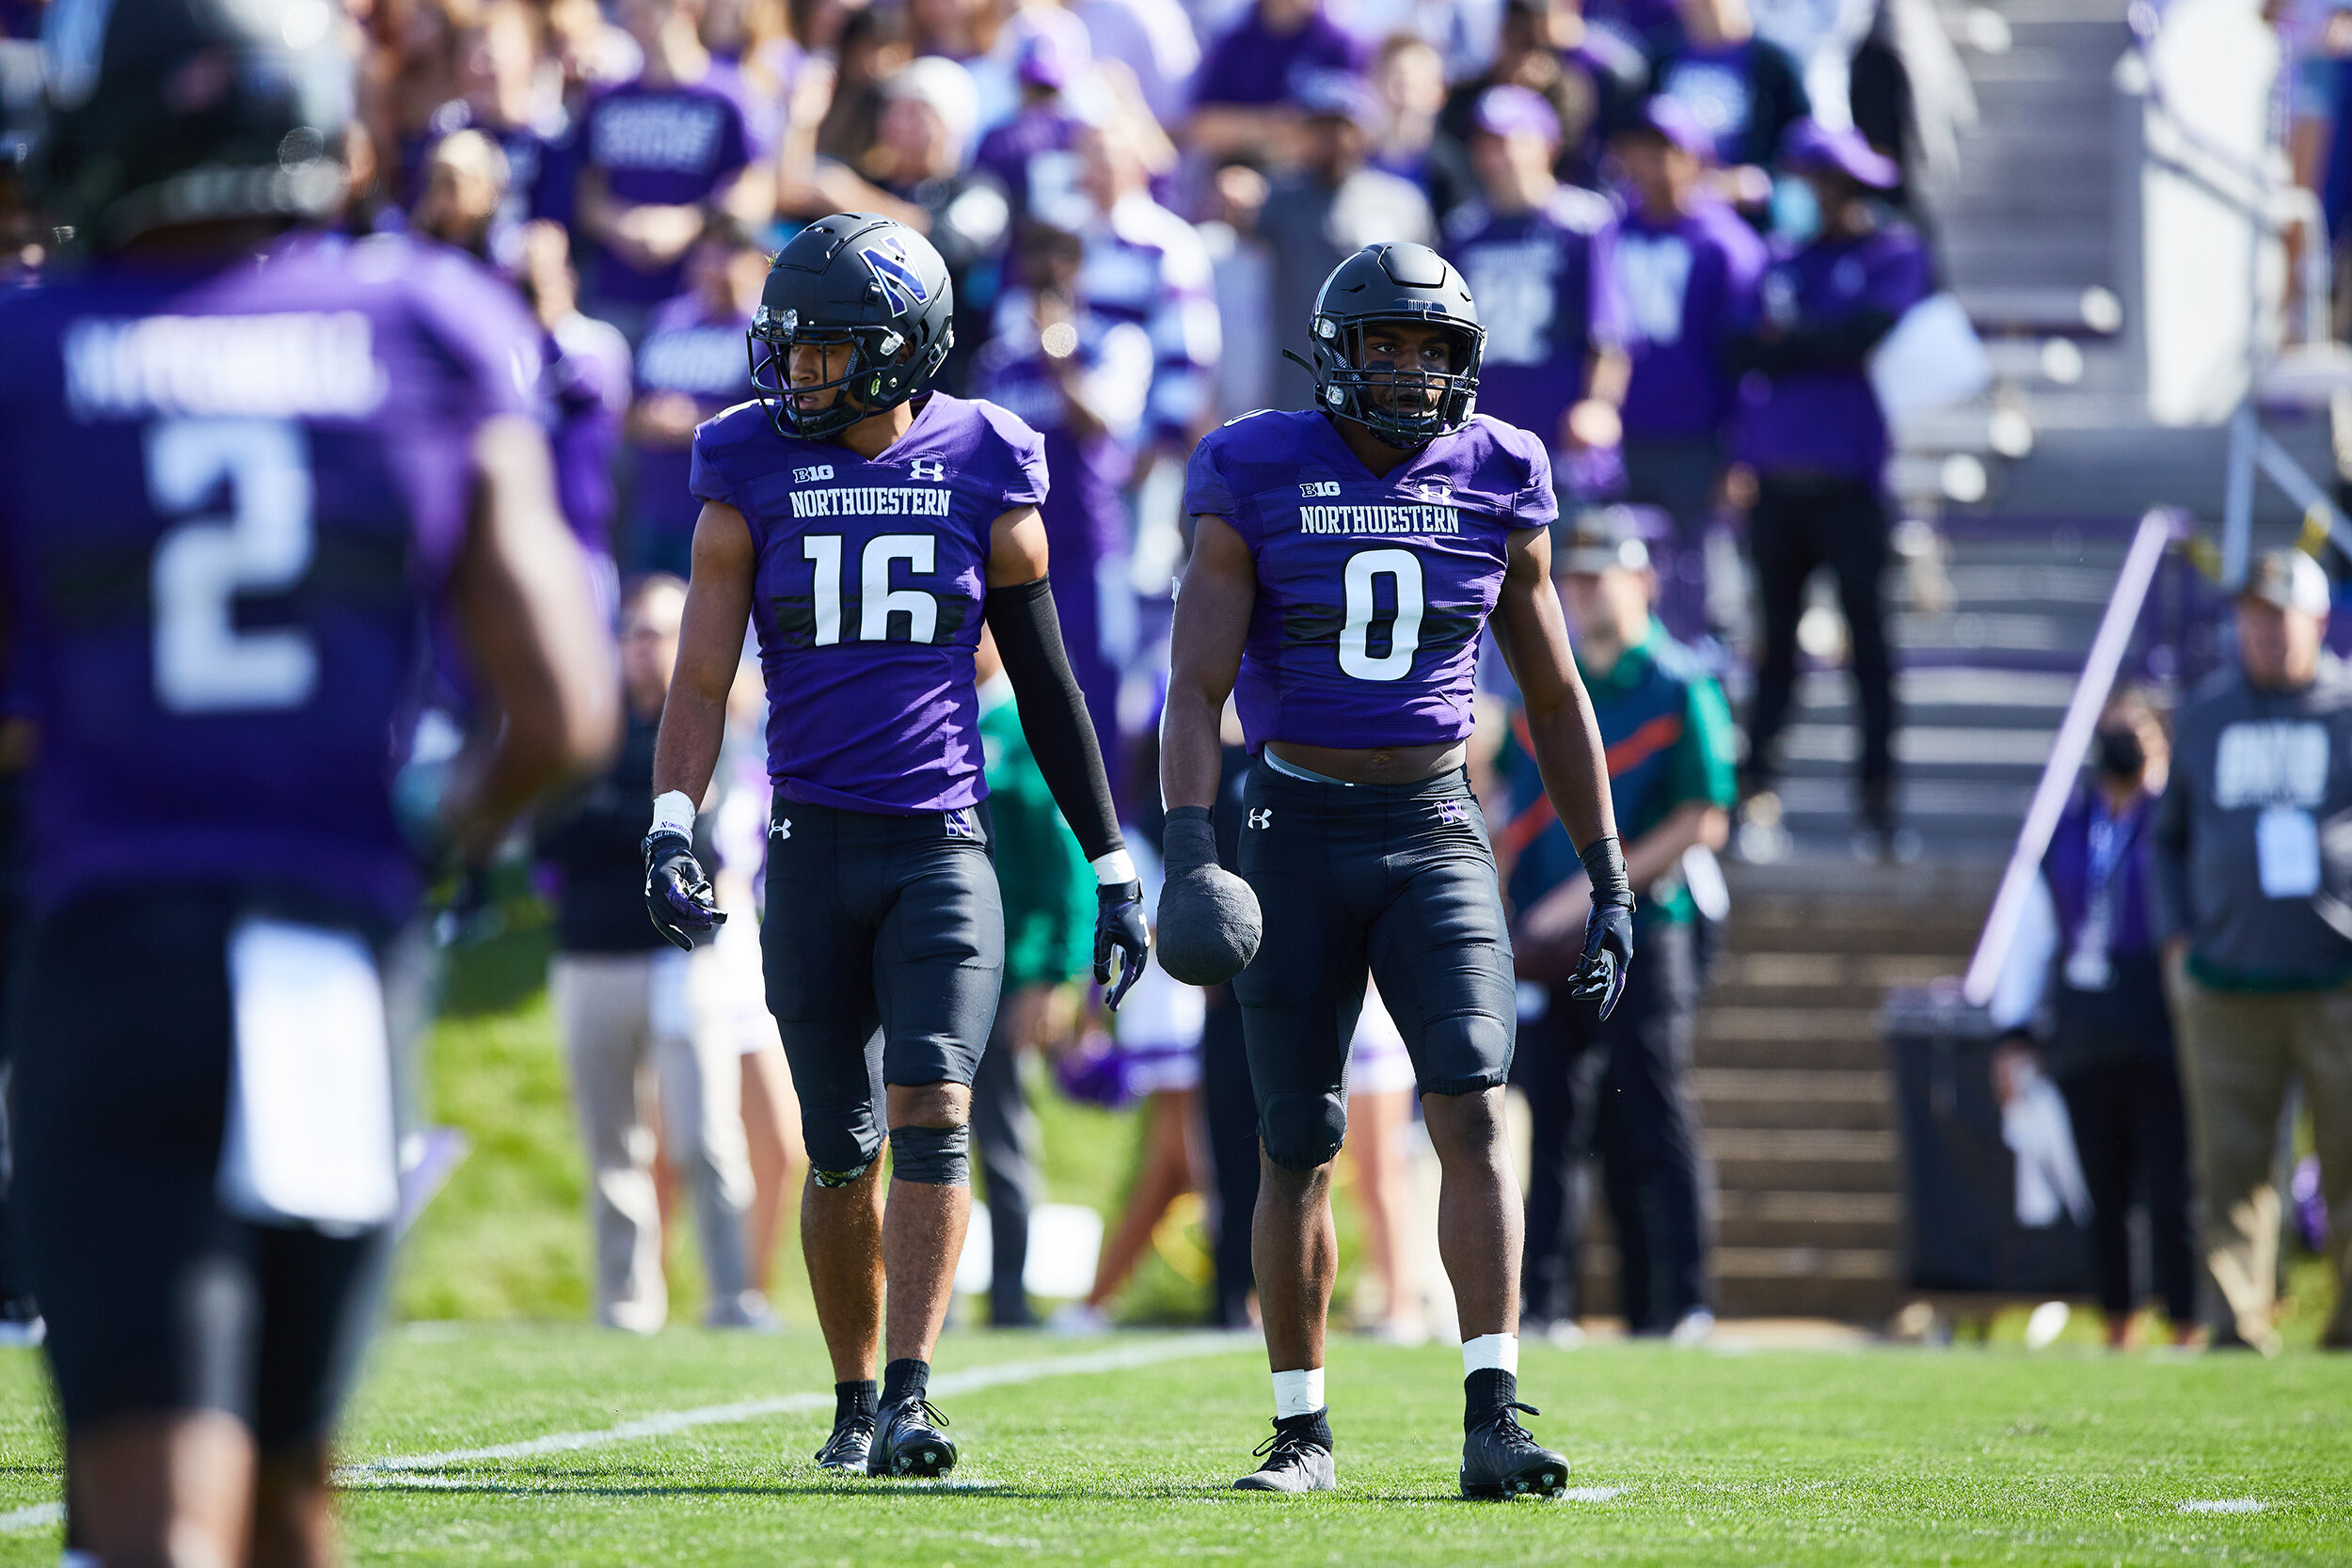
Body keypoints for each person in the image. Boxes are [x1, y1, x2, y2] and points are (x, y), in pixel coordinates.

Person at [0, 0, 617, 1554]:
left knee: (144, 1497)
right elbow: (558, 710)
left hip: (115, 938)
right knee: (290, 1484)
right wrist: (417, 834)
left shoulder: (32, 351)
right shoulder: (420, 324)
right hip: (327, 951)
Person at [646, 214, 1149, 1477]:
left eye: (826, 349)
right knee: (839, 1143)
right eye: (794, 346)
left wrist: (1110, 861)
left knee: (935, 1102)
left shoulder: (988, 454)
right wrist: (672, 819)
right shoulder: (745, 456)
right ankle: (852, 1392)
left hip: (940, 845)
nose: (798, 370)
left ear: (902, 348)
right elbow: (703, 675)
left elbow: (1047, 687)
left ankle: (916, 1394)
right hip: (812, 846)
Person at [1159, 241, 1631, 1497]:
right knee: (1295, 1135)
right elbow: (1196, 681)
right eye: (1388, 343)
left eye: (1435, 348)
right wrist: (1190, 841)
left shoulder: (1504, 470)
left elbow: (1553, 688)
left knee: (1473, 1103)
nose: (1414, 370)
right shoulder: (1251, 464)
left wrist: (1609, 871)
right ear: (1336, 350)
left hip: (1433, 825)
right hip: (1292, 824)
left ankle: (1493, 1410)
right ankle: (1302, 1427)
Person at [1495, 508, 1734, 1340]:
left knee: (1655, 1111)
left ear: (1644, 581)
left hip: (1647, 928)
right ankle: (1548, 1304)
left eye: (1604, 576)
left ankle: (1685, 1301)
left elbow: (1705, 818)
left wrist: (1602, 892)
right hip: (1545, 940)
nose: (1588, 591)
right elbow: (1511, 807)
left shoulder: (1678, 679)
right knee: (1552, 1121)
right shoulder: (1544, 681)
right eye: (1578, 576)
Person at [537, 577, 770, 1332]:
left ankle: (733, 1296)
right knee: (613, 1147)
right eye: (634, 631)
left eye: (662, 632)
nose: (645, 648)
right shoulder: (587, 725)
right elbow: (550, 830)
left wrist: (615, 822)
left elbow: (694, 836)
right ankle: (626, 1303)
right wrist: (638, 825)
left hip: (681, 959)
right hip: (590, 956)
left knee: (706, 1138)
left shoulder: (708, 731)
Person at [2151, 549, 2352, 1353]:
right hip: (2227, 976)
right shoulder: (2205, 714)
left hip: (2338, 973)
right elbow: (2166, 841)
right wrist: (2177, 939)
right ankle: (2235, 1321)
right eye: (2250, 617)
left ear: (2318, 619)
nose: (2263, 632)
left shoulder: (2346, 709)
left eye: (2278, 616)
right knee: (2230, 1167)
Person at [1727, 119, 1928, 859]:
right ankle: (1757, 796)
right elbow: (1741, 345)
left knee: (1869, 646)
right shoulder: (1778, 260)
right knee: (1774, 647)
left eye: (1810, 180)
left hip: (1850, 483)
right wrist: (1805, 345)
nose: (1797, 193)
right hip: (1777, 486)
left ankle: (1879, 805)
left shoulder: (1891, 253)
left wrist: (1796, 345)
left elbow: (1862, 335)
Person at [1990, 686, 2197, 1349]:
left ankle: (2189, 1321)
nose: (2121, 743)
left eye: (2134, 730)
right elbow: (2033, 931)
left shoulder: (2176, 818)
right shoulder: (2070, 825)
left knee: (2172, 1186)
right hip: (2087, 1026)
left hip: (2164, 1019)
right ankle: (2119, 1322)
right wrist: (2014, 1031)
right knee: (2104, 1194)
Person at [974, 220, 1156, 798]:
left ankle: (1116, 829)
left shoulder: (1114, 342)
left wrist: (1059, 355)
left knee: (1096, 691)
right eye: (1035, 253)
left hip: (1089, 548)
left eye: (1060, 254)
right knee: (1020, 687)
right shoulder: (1000, 361)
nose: (1046, 268)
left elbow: (1104, 423)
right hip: (1016, 554)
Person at [970, 625, 1099, 1327]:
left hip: (1008, 969)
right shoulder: (946, 720)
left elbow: (1066, 860)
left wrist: (1054, 974)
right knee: (930, 1133)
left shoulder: (1023, 726)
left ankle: (1011, 1294)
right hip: (941, 959)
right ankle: (932, 1299)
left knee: (1003, 1132)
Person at [1608, 97, 1766, 614]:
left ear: (1695, 159)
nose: (1650, 164)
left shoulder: (1726, 245)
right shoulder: (1608, 232)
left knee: (1694, 584)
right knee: (1615, 573)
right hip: (1620, 436)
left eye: (1666, 150)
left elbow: (1748, 357)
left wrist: (1741, 450)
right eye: (1640, 149)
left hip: (1698, 440)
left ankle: (1698, 689)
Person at [1441, 86, 1628, 499]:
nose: (1497, 156)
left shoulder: (1585, 224)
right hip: (1486, 428)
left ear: (1548, 145)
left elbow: (1609, 333)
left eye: (1510, 141)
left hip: (1560, 429)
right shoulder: (1463, 232)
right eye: (1486, 144)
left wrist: (1599, 405)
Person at [574, 0, 771, 336]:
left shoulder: (730, 95)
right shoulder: (605, 99)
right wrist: (623, 226)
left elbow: (754, 191)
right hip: (615, 292)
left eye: (648, 9)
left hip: (695, 299)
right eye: (630, 11)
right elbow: (584, 190)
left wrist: (687, 224)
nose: (636, 19)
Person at [1259, 74, 1435, 414]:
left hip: (1384, 377)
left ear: (1363, 133)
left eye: (1340, 126)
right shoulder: (1277, 201)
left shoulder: (1401, 202)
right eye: (1319, 127)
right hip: (1300, 380)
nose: (1331, 139)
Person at [624, 217, 768, 576]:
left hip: (726, 513)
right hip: (653, 506)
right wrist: (646, 418)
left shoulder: (766, 335)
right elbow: (626, 409)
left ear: (755, 263)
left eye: (727, 255)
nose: (715, 268)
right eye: (707, 256)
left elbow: (777, 421)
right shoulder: (665, 321)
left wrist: (694, 421)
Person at [1185, 0, 1369, 166]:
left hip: (1318, 188)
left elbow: (1354, 133)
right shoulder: (1234, 43)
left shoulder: (1339, 45)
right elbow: (1204, 127)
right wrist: (1273, 128)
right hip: (1242, 178)